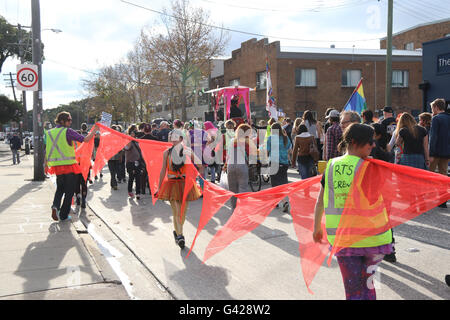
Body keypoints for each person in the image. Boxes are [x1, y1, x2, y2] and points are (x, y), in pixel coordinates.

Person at [313, 123, 393, 300]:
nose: (373, 145)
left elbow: (320, 201)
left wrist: (316, 227)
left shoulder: (332, 166)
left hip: (346, 239)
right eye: (369, 142)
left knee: (353, 291)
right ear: (355, 142)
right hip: (375, 240)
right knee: (368, 287)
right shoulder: (372, 167)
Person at [45, 112, 97, 221]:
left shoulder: (49, 133)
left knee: (60, 189)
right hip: (69, 166)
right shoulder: (67, 131)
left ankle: (55, 206)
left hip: (57, 166)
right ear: (62, 121)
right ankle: (63, 215)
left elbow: (47, 150)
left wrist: (45, 164)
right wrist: (95, 129)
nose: (70, 122)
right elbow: (85, 140)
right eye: (69, 120)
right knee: (69, 192)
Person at [155, 129, 202, 249]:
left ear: (181, 139)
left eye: (176, 137)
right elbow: (162, 171)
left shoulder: (187, 150)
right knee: (177, 211)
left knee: (183, 213)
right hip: (171, 184)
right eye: (171, 137)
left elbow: (200, 165)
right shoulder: (167, 153)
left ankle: (177, 232)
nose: (173, 139)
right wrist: (159, 187)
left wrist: (198, 180)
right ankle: (180, 236)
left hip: (185, 184)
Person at [225, 123, 257, 210]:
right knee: (243, 188)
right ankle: (242, 210)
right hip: (242, 166)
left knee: (232, 190)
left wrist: (225, 166)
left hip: (230, 166)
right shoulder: (248, 142)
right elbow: (253, 155)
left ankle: (234, 209)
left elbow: (228, 155)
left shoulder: (232, 141)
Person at [429, 98, 450, 208]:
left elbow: (433, 137)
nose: (432, 110)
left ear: (436, 107)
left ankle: (429, 198)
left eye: (432, 108)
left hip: (436, 152)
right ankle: (443, 201)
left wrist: (431, 153)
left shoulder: (436, 119)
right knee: (443, 176)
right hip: (447, 152)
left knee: (429, 175)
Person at [267, 122, 292, 212]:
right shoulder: (286, 138)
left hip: (274, 162)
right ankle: (285, 201)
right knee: (283, 184)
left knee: (275, 184)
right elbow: (289, 149)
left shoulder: (270, 139)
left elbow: (267, 150)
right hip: (284, 163)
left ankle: (276, 202)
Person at [124, 125, 143, 200]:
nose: (135, 132)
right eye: (133, 131)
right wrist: (129, 138)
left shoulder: (137, 140)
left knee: (138, 178)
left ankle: (138, 193)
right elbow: (126, 148)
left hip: (137, 161)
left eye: (136, 131)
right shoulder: (128, 141)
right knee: (131, 177)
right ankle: (130, 191)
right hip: (130, 162)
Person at [108, 125, 122, 191]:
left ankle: (112, 183)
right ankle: (115, 185)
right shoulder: (108, 137)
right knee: (113, 172)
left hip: (114, 157)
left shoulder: (117, 137)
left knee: (113, 172)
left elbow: (120, 147)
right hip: (112, 158)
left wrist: (120, 156)